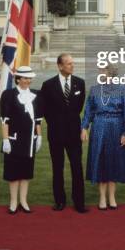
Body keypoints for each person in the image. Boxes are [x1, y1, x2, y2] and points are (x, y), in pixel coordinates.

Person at [40, 53, 87, 213]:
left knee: (77, 167)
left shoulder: (80, 83)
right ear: (60, 66)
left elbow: (79, 107)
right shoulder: (48, 85)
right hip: (56, 133)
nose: (72, 66)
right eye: (68, 64)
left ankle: (79, 202)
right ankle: (59, 201)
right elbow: (44, 109)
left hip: (74, 133)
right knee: (57, 167)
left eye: (72, 63)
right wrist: (55, 123)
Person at [81, 65, 125, 209]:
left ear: (111, 73)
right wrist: (84, 127)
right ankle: (102, 198)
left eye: (103, 71)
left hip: (116, 127)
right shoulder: (95, 89)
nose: (100, 73)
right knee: (100, 161)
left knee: (113, 162)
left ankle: (112, 197)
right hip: (98, 127)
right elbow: (88, 111)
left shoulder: (121, 89)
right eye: (100, 71)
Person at [0, 65, 43, 214]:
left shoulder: (35, 95)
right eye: (25, 78)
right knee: (13, 172)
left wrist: (40, 136)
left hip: (30, 140)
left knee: (26, 172)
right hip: (13, 140)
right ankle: (13, 201)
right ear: (18, 79)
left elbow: (37, 119)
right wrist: (5, 139)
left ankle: (23, 201)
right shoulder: (8, 95)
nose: (28, 81)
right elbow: (5, 120)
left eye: (29, 78)